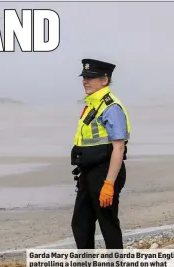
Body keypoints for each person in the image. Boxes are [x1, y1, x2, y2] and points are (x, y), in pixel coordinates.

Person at [70, 58, 131, 250]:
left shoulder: (111, 107)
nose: (85, 81)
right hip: (88, 172)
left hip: (105, 172)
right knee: (81, 224)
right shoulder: (92, 104)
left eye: (91, 77)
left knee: (108, 225)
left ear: (104, 80)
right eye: (84, 77)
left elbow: (118, 148)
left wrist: (109, 184)